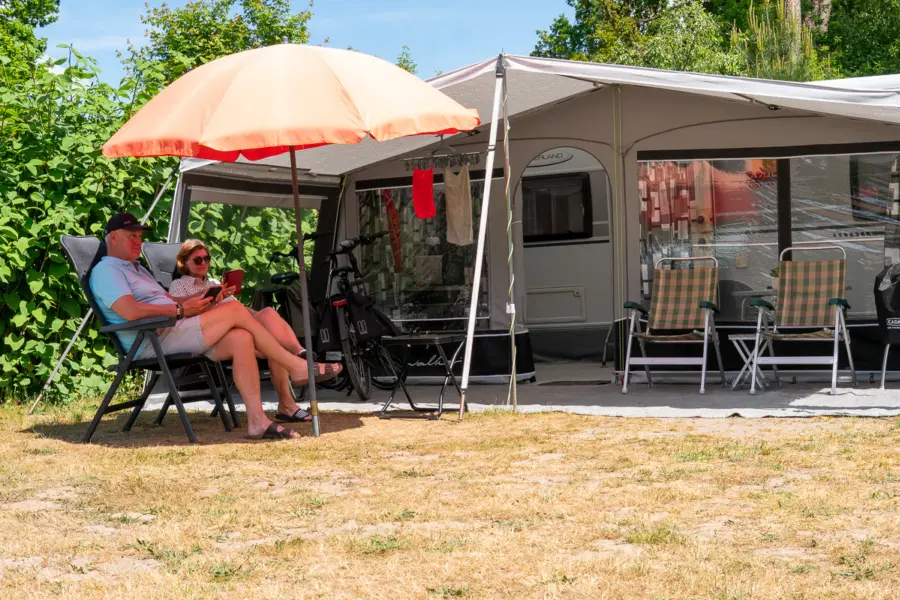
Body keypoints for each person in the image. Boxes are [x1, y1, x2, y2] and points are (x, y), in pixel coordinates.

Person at [89, 212, 331, 440]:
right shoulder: (106, 270)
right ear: (113, 237)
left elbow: (169, 300)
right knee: (235, 310)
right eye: (132, 236)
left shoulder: (137, 268)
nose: (138, 242)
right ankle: (296, 366)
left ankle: (257, 421)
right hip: (153, 339)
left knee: (242, 337)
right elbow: (130, 310)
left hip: (174, 327)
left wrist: (192, 303)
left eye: (140, 237)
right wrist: (181, 310)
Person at [168, 239, 340, 423]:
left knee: (268, 314)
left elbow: (238, 310)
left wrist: (240, 305)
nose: (204, 263)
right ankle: (292, 389)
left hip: (237, 325)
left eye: (206, 258)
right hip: (212, 335)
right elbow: (180, 307)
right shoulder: (179, 285)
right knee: (270, 337)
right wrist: (211, 295)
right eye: (197, 260)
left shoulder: (213, 282)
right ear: (184, 262)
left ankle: (301, 355)